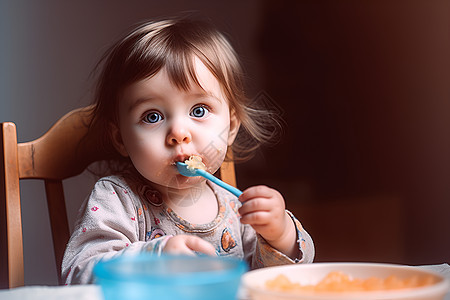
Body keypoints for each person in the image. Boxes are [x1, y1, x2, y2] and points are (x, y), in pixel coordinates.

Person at [62, 16, 314, 284]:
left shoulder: (236, 208)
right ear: (120, 139)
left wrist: (281, 235)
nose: (178, 133)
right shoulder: (117, 199)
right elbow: (79, 273)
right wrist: (154, 258)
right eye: (152, 116)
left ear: (230, 127)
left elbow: (271, 281)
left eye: (199, 110)